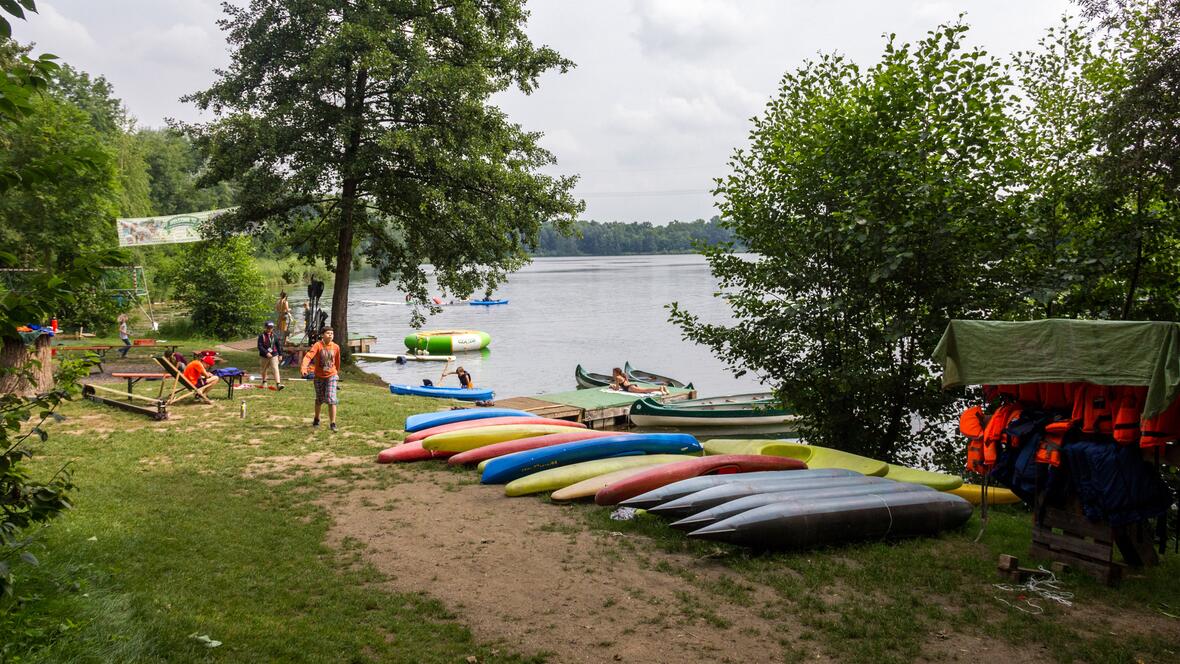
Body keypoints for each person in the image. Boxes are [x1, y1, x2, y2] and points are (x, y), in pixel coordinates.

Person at [300, 326, 341, 431]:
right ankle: (316, 418)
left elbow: (337, 362)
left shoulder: (336, 347)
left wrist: (336, 373)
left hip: (331, 375)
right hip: (318, 376)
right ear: (322, 335)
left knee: (331, 399)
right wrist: (304, 367)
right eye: (328, 333)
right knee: (319, 399)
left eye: (332, 333)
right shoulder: (318, 345)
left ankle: (333, 423)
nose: (330, 335)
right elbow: (308, 356)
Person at [257, 321, 284, 390]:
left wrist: (280, 354)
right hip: (264, 355)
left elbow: (278, 346)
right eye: (268, 328)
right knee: (264, 369)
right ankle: (264, 382)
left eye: (271, 328)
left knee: (275, 368)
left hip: (274, 354)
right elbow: (260, 346)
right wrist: (266, 352)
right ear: (265, 327)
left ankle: (278, 384)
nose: (270, 329)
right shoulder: (261, 336)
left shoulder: (274, 336)